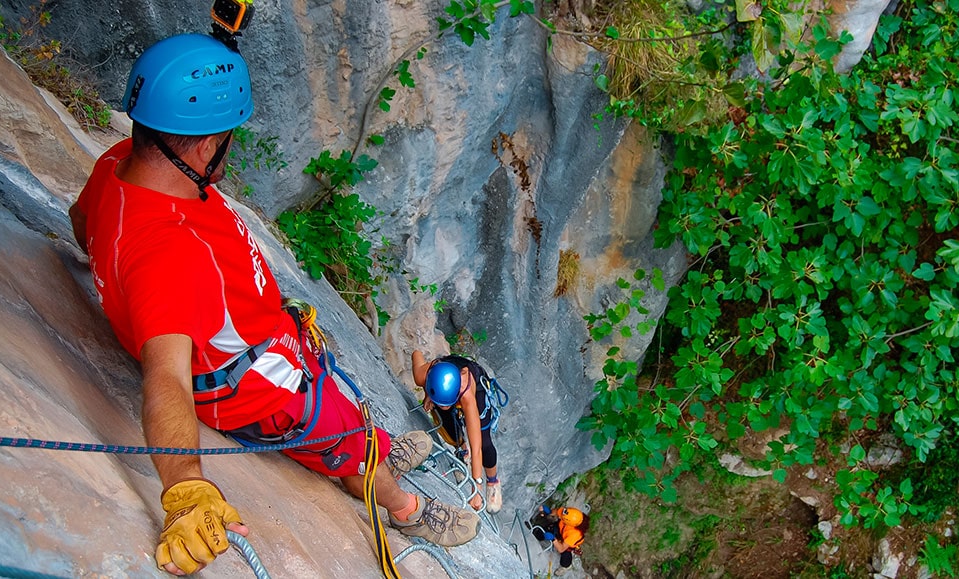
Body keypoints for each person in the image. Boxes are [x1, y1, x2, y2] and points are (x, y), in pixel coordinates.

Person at [68, 33, 478, 576]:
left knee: (346, 410)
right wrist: (186, 487)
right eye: (228, 136)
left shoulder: (119, 166)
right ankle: (404, 506)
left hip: (264, 336)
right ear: (205, 145)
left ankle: (376, 447)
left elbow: (81, 222)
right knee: (340, 433)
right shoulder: (167, 255)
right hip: (263, 386)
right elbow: (166, 377)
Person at [412, 350, 503, 513]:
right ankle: (462, 451)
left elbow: (477, 448)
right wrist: (428, 392)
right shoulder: (423, 376)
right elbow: (416, 354)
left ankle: (493, 481)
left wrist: (477, 487)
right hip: (443, 383)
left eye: (446, 403)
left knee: (484, 442)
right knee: (445, 423)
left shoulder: (467, 396)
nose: (443, 406)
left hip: (475, 389)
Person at [531, 505, 588, 572]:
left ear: (568, 522)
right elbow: (557, 511)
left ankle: (566, 566)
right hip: (561, 530)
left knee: (565, 556)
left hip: (567, 542)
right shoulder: (569, 513)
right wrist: (549, 511)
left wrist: (553, 539)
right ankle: (537, 534)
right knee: (543, 532)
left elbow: (561, 549)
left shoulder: (574, 535)